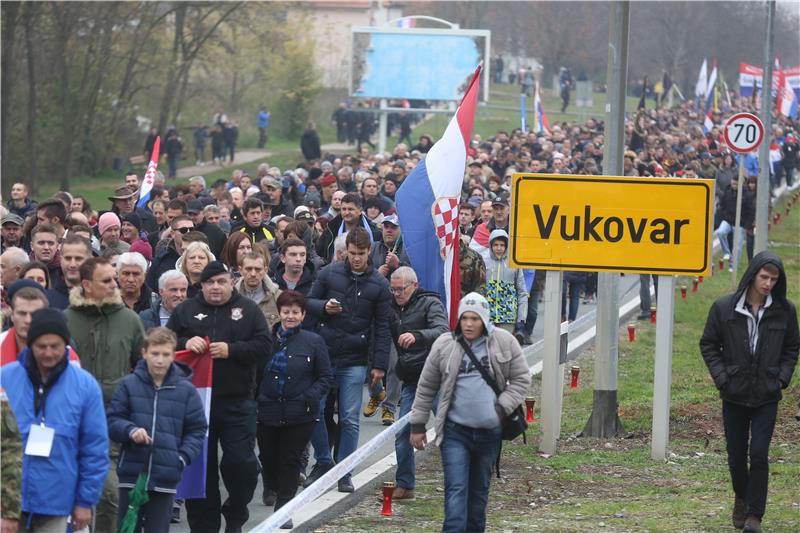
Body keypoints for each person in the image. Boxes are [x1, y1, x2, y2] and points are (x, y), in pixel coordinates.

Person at [410, 293, 531, 533]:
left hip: (489, 433)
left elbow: (521, 378)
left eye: (475, 318)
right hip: (455, 433)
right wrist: (417, 425)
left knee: (478, 496)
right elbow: (426, 386)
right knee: (455, 490)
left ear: (484, 320)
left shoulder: (504, 341)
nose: (468, 324)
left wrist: (501, 407)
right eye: (464, 318)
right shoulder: (445, 344)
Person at [166, 261, 272, 533]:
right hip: (196, 404)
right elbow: (162, 345)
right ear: (201, 285)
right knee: (199, 470)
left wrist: (232, 350)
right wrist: (183, 344)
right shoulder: (186, 310)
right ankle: (204, 527)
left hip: (237, 401)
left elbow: (264, 347)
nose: (215, 287)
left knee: (242, 464)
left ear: (230, 282)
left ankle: (235, 514)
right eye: (209, 282)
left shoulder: (248, 310)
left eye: (221, 282)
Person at [700, 251, 799, 533]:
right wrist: (723, 378)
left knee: (758, 453)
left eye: (773, 279)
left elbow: (792, 347)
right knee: (735, 456)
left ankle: (754, 515)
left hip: (767, 394)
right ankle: (741, 496)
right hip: (734, 393)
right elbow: (709, 344)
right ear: (753, 275)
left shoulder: (785, 310)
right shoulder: (724, 309)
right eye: (764, 277)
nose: (768, 283)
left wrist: (781, 378)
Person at [1, 308, 108, 532]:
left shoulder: (85, 385)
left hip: (57, 502)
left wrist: (85, 501)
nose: (48, 353)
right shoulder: (6, 378)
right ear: (30, 344)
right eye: (41, 347)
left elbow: (94, 447)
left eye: (55, 347)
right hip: (8, 502)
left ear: (66, 345)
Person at [304, 227, 391, 492]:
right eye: (352, 254)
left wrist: (379, 365)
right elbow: (308, 302)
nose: (356, 259)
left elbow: (383, 327)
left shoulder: (379, 283)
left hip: (355, 358)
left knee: (350, 417)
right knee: (316, 411)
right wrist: (324, 308)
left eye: (361, 254)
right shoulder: (329, 273)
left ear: (369, 252)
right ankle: (322, 461)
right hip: (325, 353)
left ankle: (345, 471)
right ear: (345, 252)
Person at [107, 327, 208, 533]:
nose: (159, 360)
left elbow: (197, 430)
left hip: (165, 476)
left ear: (174, 355)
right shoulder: (128, 384)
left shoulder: (186, 390)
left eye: (165, 354)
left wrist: (181, 458)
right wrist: (130, 430)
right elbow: (113, 420)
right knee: (126, 529)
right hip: (131, 476)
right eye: (154, 354)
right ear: (144, 353)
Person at [256, 290, 333, 529]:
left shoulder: (313, 341)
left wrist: (307, 397)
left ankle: (284, 507)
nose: (290, 316)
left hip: (300, 413)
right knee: (268, 458)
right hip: (267, 411)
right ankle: (271, 485)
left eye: (295, 312)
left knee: (290, 460)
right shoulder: (266, 340)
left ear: (303, 315)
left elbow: (325, 377)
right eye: (286, 312)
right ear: (279, 313)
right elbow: (254, 373)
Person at [385, 267, 449, 501]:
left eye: (401, 289)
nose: (397, 294)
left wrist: (417, 335)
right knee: (403, 433)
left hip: (437, 377)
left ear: (414, 285)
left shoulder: (430, 303)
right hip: (412, 380)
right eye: (393, 290)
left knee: (449, 431)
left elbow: (443, 330)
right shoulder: (391, 306)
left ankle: (460, 480)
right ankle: (405, 484)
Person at [484, 229, 528, 337]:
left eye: (502, 245)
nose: (499, 248)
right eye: (496, 245)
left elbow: (522, 292)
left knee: (503, 347)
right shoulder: (484, 262)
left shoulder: (514, 263)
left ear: (507, 246)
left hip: (508, 317)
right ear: (491, 245)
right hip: (487, 316)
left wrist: (521, 318)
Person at [236, 251, 281, 329]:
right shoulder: (230, 296)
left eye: (258, 269)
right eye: (248, 269)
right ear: (240, 270)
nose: (253, 274)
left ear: (265, 270)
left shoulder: (278, 297)